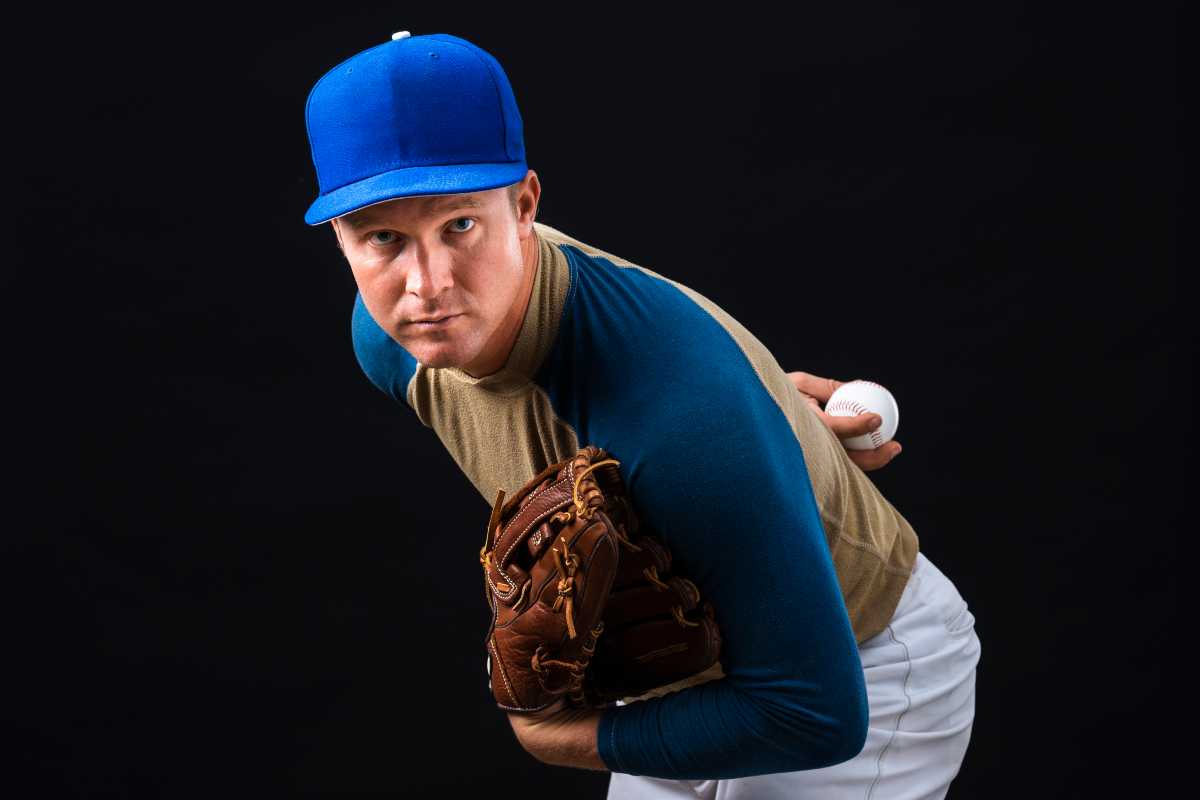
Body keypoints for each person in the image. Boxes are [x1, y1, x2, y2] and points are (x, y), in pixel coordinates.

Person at [302, 31, 980, 799]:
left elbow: (815, 713)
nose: (427, 284)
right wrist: (751, 427)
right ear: (341, 240)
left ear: (523, 206)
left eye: (460, 225)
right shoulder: (391, 344)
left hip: (862, 666)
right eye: (383, 238)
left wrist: (553, 738)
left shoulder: (677, 405)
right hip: (678, 678)